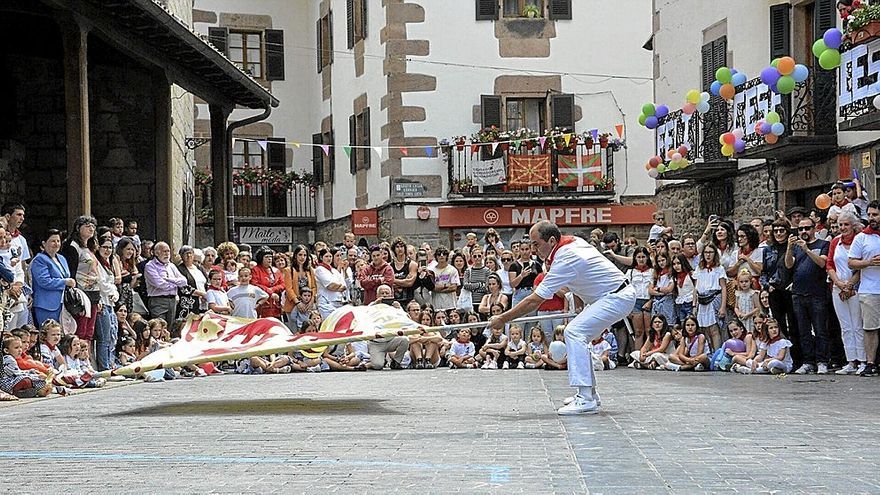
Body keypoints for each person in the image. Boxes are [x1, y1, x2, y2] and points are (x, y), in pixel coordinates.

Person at [488, 221, 636, 415]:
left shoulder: (566, 257)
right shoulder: (572, 242)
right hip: (610, 296)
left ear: (551, 240)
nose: (533, 250)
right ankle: (590, 393)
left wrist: (503, 318)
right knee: (578, 333)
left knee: (574, 332)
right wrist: (581, 304)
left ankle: (585, 398)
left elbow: (535, 300)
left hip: (616, 297)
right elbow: (580, 278)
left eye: (536, 244)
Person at [784, 218, 830, 374]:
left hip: (817, 293)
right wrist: (789, 248)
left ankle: (822, 361)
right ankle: (808, 361)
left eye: (807, 228)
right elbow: (788, 265)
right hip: (798, 293)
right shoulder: (796, 247)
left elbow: (823, 264)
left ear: (814, 228)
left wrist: (808, 250)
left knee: (820, 329)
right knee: (803, 330)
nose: (803, 231)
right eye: (800, 229)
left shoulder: (823, 244)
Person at [827, 212, 865, 375]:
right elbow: (829, 264)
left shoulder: (860, 240)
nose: (842, 228)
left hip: (855, 287)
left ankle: (863, 360)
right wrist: (839, 283)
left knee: (857, 325)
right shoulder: (835, 242)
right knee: (845, 326)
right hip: (838, 287)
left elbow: (861, 266)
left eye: (846, 225)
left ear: (853, 225)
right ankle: (850, 360)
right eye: (840, 225)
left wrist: (849, 285)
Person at [848, 199, 880, 377]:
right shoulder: (861, 237)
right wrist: (868, 262)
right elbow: (851, 262)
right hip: (870, 289)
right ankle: (870, 363)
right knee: (870, 328)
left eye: (875, 214)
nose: (871, 218)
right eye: (869, 215)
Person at [30, 229, 75, 327]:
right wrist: (65, 282)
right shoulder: (39, 259)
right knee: (48, 334)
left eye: (58, 241)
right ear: (44, 243)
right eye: (53, 241)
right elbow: (44, 281)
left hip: (63, 304)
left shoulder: (62, 258)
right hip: (46, 305)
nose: (56, 244)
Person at [144, 241, 189, 330]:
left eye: (168, 251)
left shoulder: (171, 266)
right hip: (158, 301)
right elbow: (159, 284)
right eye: (164, 251)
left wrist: (169, 280)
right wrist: (176, 284)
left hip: (172, 301)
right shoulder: (150, 266)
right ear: (156, 253)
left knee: (170, 328)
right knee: (158, 327)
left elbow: (184, 281)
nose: (167, 254)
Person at [694, 243, 727, 351]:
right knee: (703, 328)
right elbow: (696, 287)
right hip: (702, 299)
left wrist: (722, 306)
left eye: (711, 252)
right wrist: (694, 305)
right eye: (706, 252)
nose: (708, 255)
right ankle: (707, 352)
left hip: (714, 298)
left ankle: (716, 354)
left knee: (714, 329)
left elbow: (723, 287)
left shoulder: (719, 268)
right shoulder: (699, 268)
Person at [251, 247, 285, 319]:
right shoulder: (255, 269)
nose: (269, 259)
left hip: (275, 305)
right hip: (262, 304)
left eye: (270, 257)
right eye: (266, 257)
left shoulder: (276, 270)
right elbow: (254, 284)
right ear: (261, 258)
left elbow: (283, 284)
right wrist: (269, 292)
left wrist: (272, 289)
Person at [316, 247, 348, 319]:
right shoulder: (319, 269)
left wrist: (336, 286)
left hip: (338, 302)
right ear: (321, 257)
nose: (329, 258)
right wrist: (337, 286)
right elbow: (330, 286)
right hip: (326, 303)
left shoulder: (334, 270)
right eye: (326, 256)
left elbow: (344, 286)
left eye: (330, 256)